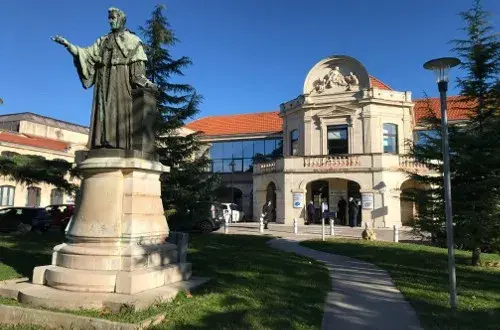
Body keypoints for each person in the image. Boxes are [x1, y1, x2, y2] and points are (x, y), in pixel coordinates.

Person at [52, 7, 157, 150]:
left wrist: (144, 81)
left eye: (113, 18)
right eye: (109, 18)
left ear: (120, 19)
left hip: (120, 80)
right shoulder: (103, 41)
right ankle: (101, 142)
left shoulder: (132, 40)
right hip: (103, 81)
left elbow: (137, 68)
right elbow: (86, 54)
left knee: (117, 109)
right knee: (103, 111)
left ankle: (118, 144)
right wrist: (68, 45)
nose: (110, 21)